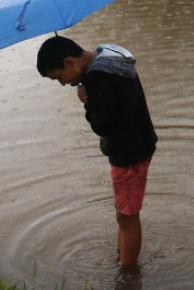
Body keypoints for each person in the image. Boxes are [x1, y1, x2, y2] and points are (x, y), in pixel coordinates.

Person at [37, 35, 157, 269]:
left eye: (59, 78)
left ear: (70, 62)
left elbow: (103, 125)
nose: (62, 84)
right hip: (140, 142)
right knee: (124, 213)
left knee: (127, 216)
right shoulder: (110, 58)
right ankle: (122, 259)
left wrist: (87, 101)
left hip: (128, 152)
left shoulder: (97, 78)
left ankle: (127, 274)